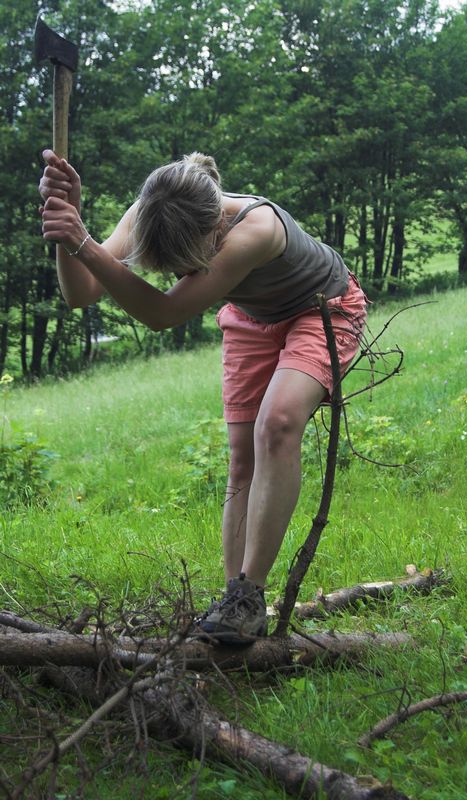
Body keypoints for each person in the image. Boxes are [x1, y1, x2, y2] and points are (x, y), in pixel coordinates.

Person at [39, 149, 367, 643]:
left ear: (215, 227)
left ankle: (249, 594)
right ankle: (235, 605)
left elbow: (164, 314)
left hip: (322, 308)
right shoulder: (154, 209)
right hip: (252, 317)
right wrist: (70, 229)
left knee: (276, 425)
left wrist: (83, 241)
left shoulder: (255, 230)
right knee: (241, 462)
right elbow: (80, 293)